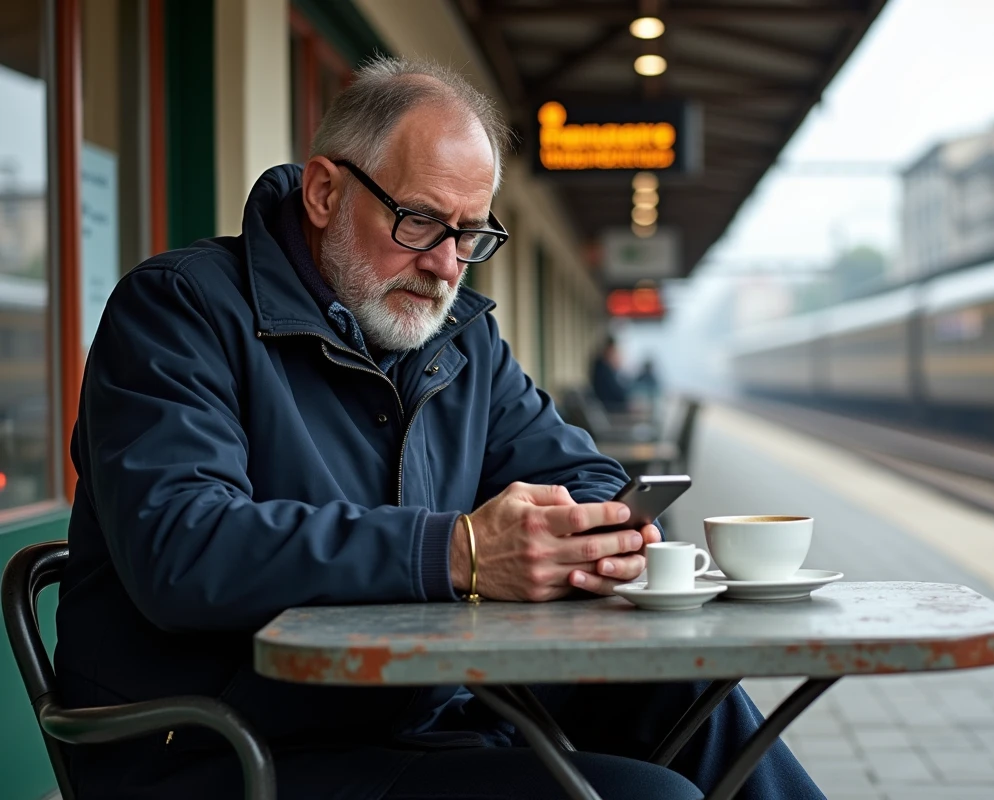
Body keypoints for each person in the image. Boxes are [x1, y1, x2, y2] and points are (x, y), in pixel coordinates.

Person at [54, 56, 826, 800]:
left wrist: (588, 536)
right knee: (647, 794)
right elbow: (183, 547)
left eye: (472, 234)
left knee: (692, 699)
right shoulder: (178, 309)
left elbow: (584, 475)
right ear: (324, 192)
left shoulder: (458, 338)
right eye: (421, 221)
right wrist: (460, 552)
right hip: (223, 751)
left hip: (416, 712)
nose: (449, 265)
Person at [590, 334, 630, 413]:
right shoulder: (602, 368)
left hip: (610, 405)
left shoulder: (605, 366)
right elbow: (613, 391)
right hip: (609, 407)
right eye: (613, 351)